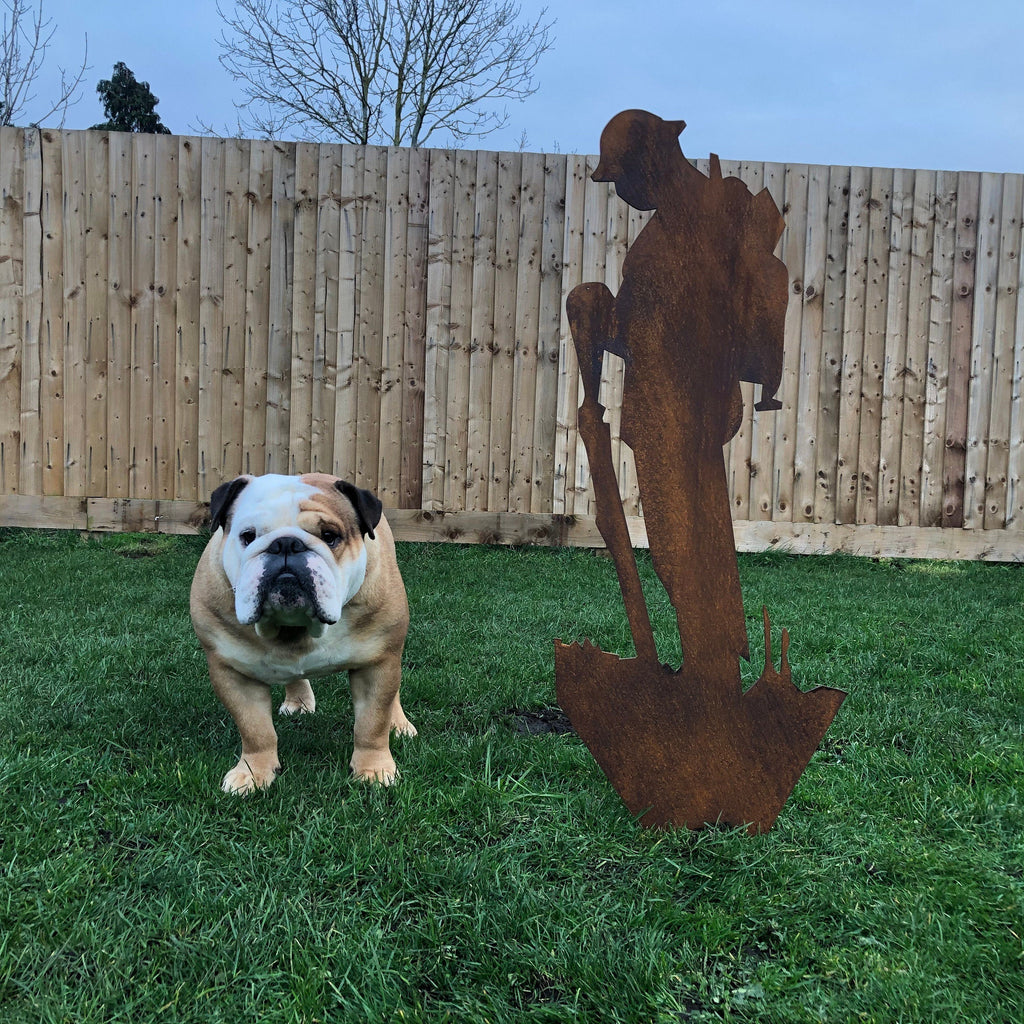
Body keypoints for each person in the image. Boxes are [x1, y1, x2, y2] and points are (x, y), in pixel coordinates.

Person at [568, 110, 788, 689]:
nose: (620, 192)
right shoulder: (675, 224)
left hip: (682, 407)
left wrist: (739, 380)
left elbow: (743, 303)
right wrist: (595, 316)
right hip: (662, 400)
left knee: (681, 539)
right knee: (683, 538)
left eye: (620, 178)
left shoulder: (709, 214)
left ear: (648, 162)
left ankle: (708, 667)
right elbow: (645, 327)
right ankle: (704, 664)